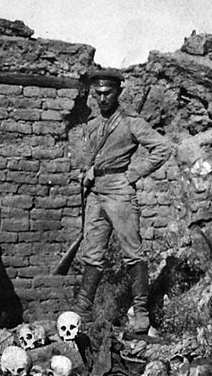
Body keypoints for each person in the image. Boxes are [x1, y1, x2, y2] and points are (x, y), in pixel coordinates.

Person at [74, 69, 172, 333]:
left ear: (118, 92)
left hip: (120, 190)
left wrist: (133, 174)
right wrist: (88, 172)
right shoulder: (93, 123)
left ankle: (140, 313)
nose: (102, 99)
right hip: (96, 191)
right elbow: (92, 157)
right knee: (92, 252)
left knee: (132, 252)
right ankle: (82, 311)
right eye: (97, 94)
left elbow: (162, 148)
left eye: (107, 94)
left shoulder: (130, 122)